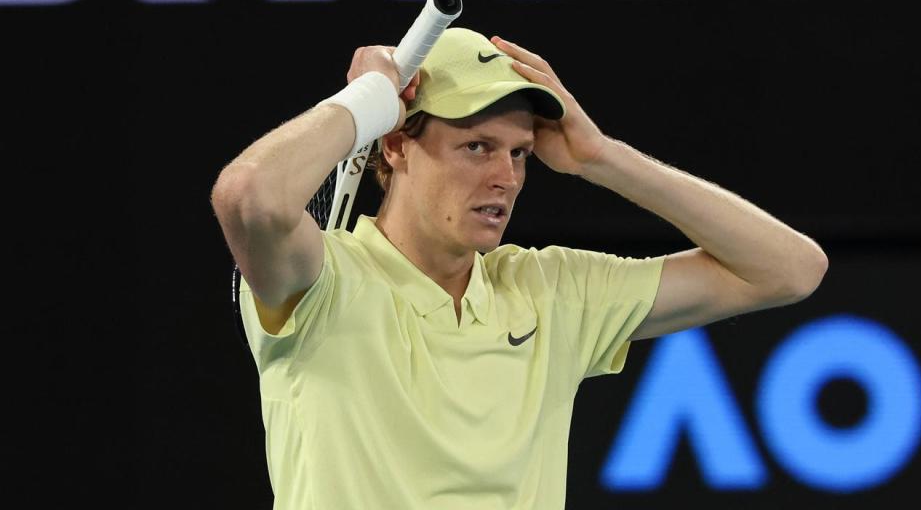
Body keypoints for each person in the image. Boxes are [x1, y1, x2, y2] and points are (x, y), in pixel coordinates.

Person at [211, 27, 827, 509]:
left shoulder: (551, 293)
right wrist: (368, 98)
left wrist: (600, 157)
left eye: (520, 153)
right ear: (395, 145)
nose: (504, 178)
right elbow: (247, 196)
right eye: (476, 146)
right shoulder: (320, 280)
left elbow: (789, 270)